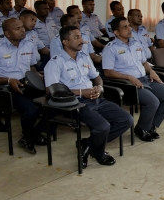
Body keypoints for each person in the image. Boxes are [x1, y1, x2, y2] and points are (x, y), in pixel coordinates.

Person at [44, 25, 133, 167]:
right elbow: (51, 91)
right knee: (103, 126)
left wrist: (99, 88)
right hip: (75, 103)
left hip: (95, 98)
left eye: (81, 36)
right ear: (65, 42)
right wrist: (81, 92)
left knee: (127, 120)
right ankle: (98, 152)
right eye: (76, 37)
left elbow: (97, 77)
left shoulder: (84, 57)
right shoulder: (55, 62)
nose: (82, 40)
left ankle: (87, 144)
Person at [102, 17, 164, 142]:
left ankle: (150, 126)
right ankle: (142, 129)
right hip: (128, 84)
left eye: (128, 26)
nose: (129, 29)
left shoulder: (135, 44)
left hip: (145, 78)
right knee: (153, 102)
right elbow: (108, 72)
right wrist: (128, 77)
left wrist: (151, 71)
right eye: (125, 27)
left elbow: (144, 62)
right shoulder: (110, 48)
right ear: (116, 32)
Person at [0, 18, 44, 154]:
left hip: (27, 84)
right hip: (6, 89)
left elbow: (31, 66)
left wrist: (36, 74)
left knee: (52, 101)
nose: (22, 30)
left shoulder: (29, 45)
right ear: (7, 33)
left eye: (22, 27)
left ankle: (34, 132)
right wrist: (8, 80)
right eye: (17, 28)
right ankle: (28, 138)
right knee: (31, 110)